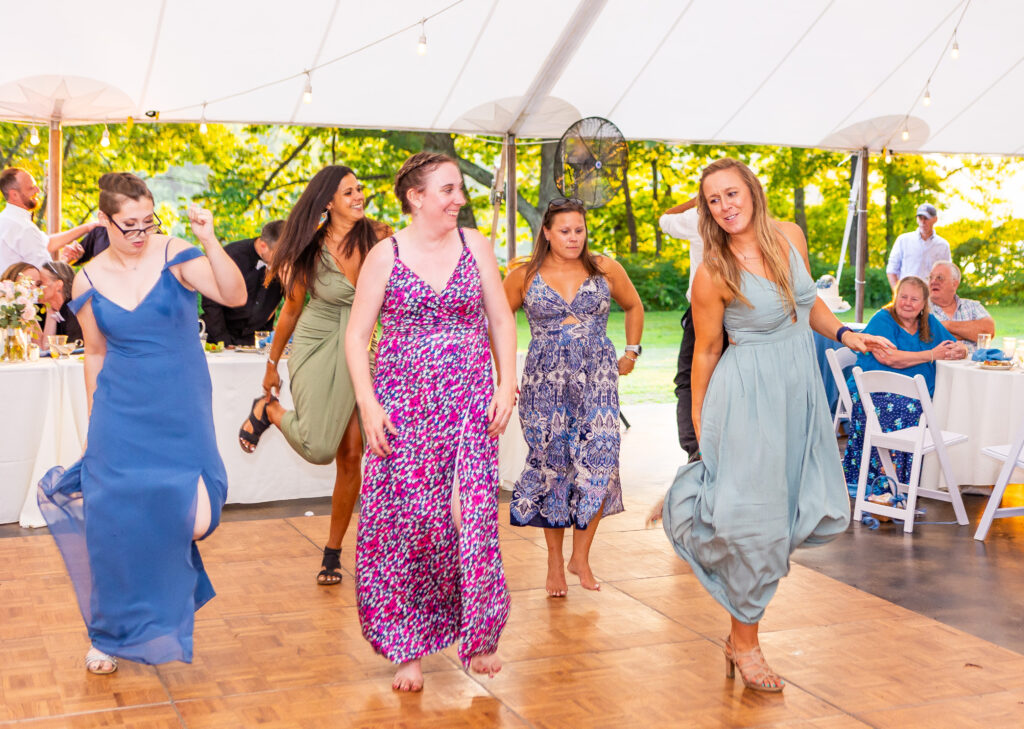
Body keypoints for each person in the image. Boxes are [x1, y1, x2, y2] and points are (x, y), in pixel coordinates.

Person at [652, 158, 892, 693]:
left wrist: (850, 336)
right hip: (747, 399)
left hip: (798, 392)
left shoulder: (790, 237)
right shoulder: (713, 271)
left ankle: (741, 627)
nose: (725, 206)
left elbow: (805, 308)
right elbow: (708, 352)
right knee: (758, 525)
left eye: (731, 193)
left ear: (753, 192)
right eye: (713, 200)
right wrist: (702, 425)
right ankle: (746, 642)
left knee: (789, 514)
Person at [36, 172, 247, 675]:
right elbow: (95, 353)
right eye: (129, 226)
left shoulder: (177, 254)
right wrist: (96, 424)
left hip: (180, 408)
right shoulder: (86, 279)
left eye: (147, 223)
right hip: (119, 412)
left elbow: (235, 296)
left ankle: (166, 594)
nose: (140, 234)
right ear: (105, 221)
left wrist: (209, 239)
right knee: (113, 526)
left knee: (196, 519)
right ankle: (108, 634)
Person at [345, 152, 516, 691]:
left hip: (468, 404)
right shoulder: (384, 254)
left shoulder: (476, 247)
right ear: (416, 197)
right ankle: (408, 646)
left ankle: (481, 632)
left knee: (471, 515)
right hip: (404, 407)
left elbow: (500, 317)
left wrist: (507, 380)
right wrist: (368, 404)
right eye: (447, 190)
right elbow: (356, 337)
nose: (458, 199)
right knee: (413, 523)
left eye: (459, 189)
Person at [237, 166, 390, 586]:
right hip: (317, 345)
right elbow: (291, 309)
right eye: (348, 192)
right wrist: (271, 365)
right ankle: (269, 410)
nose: (358, 197)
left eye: (360, 190)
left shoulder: (379, 239)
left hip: (363, 350)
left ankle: (334, 551)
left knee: (352, 453)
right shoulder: (308, 249)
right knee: (320, 448)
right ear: (327, 201)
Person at [503, 197, 643, 597]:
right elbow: (496, 320)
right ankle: (554, 563)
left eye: (579, 230)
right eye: (564, 231)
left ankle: (581, 556)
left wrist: (632, 351)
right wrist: (502, 374)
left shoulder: (604, 268)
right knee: (554, 468)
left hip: (596, 378)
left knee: (600, 459)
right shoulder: (524, 275)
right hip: (544, 383)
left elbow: (633, 306)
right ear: (546, 232)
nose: (573, 238)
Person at [841, 275, 966, 491]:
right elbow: (889, 358)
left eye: (914, 299)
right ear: (895, 297)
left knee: (952, 404)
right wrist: (931, 354)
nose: (907, 303)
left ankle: (935, 478)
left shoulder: (928, 322)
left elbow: (954, 344)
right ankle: (890, 478)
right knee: (915, 409)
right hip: (875, 392)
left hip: (917, 393)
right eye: (903, 296)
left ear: (924, 304)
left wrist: (960, 349)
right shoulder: (883, 319)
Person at [659, 196, 725, 460]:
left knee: (688, 380)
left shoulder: (697, 218)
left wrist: (693, 202)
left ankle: (694, 448)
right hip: (739, 312)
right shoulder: (746, 222)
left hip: (702, 312)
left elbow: (664, 218)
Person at [201, 220, 285, 346]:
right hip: (218, 338)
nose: (284, 258)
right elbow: (211, 302)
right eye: (279, 254)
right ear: (263, 246)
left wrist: (264, 340)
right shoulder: (230, 255)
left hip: (255, 343)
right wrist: (223, 341)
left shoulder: (286, 266)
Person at [0, 167, 96, 271]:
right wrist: (66, 259)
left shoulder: (6, 219)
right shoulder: (24, 228)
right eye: (31, 188)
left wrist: (88, 227)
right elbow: (46, 276)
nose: (38, 190)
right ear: (14, 194)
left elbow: (48, 242)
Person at [928, 260, 994, 354]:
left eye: (940, 278)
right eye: (931, 277)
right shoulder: (921, 308)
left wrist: (946, 325)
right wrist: (968, 333)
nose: (933, 281)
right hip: (939, 367)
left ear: (954, 284)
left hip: (974, 366)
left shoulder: (972, 306)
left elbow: (988, 332)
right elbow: (924, 338)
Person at [886, 203, 951, 293]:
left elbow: (946, 274)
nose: (923, 222)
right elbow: (891, 270)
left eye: (926, 218)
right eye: (920, 218)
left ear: (935, 219)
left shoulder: (943, 245)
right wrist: (898, 293)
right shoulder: (903, 240)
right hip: (908, 295)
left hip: (931, 297)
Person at [40, 260, 84, 343]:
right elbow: (47, 348)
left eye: (41, 283)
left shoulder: (75, 311)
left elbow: (75, 349)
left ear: (58, 285)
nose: (36, 288)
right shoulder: (56, 311)